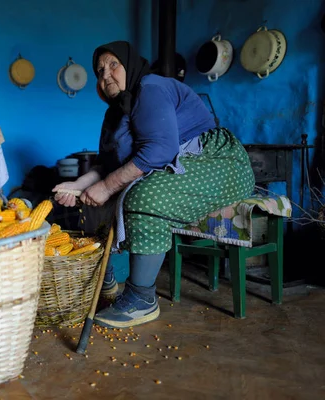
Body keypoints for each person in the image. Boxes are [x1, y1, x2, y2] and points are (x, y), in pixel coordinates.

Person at [52, 41, 255, 328]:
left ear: (130, 65)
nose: (105, 74)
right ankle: (105, 281)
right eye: (99, 70)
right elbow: (109, 167)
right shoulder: (117, 112)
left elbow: (160, 150)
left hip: (219, 163)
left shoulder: (150, 88)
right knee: (97, 201)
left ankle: (142, 298)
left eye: (113, 65)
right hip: (182, 164)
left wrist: (107, 187)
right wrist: (79, 186)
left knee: (144, 197)